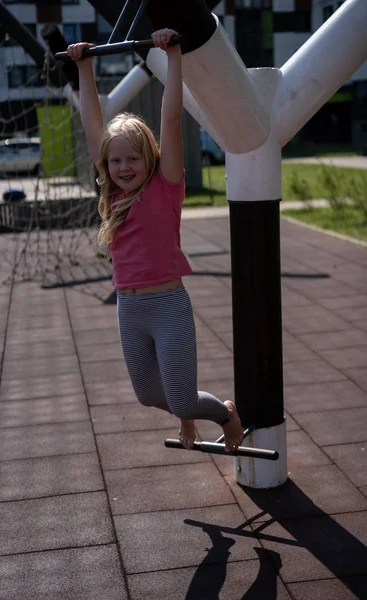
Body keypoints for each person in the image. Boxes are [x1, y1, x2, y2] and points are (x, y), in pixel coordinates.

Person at [67, 29, 243, 452]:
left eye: (132, 158)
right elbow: (93, 124)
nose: (123, 167)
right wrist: (85, 69)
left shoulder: (166, 186)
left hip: (167, 304)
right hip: (129, 306)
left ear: (150, 158)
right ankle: (187, 415)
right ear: (105, 166)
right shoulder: (112, 193)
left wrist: (174, 56)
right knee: (148, 395)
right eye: (115, 160)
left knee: (181, 395)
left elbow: (171, 119)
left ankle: (224, 412)